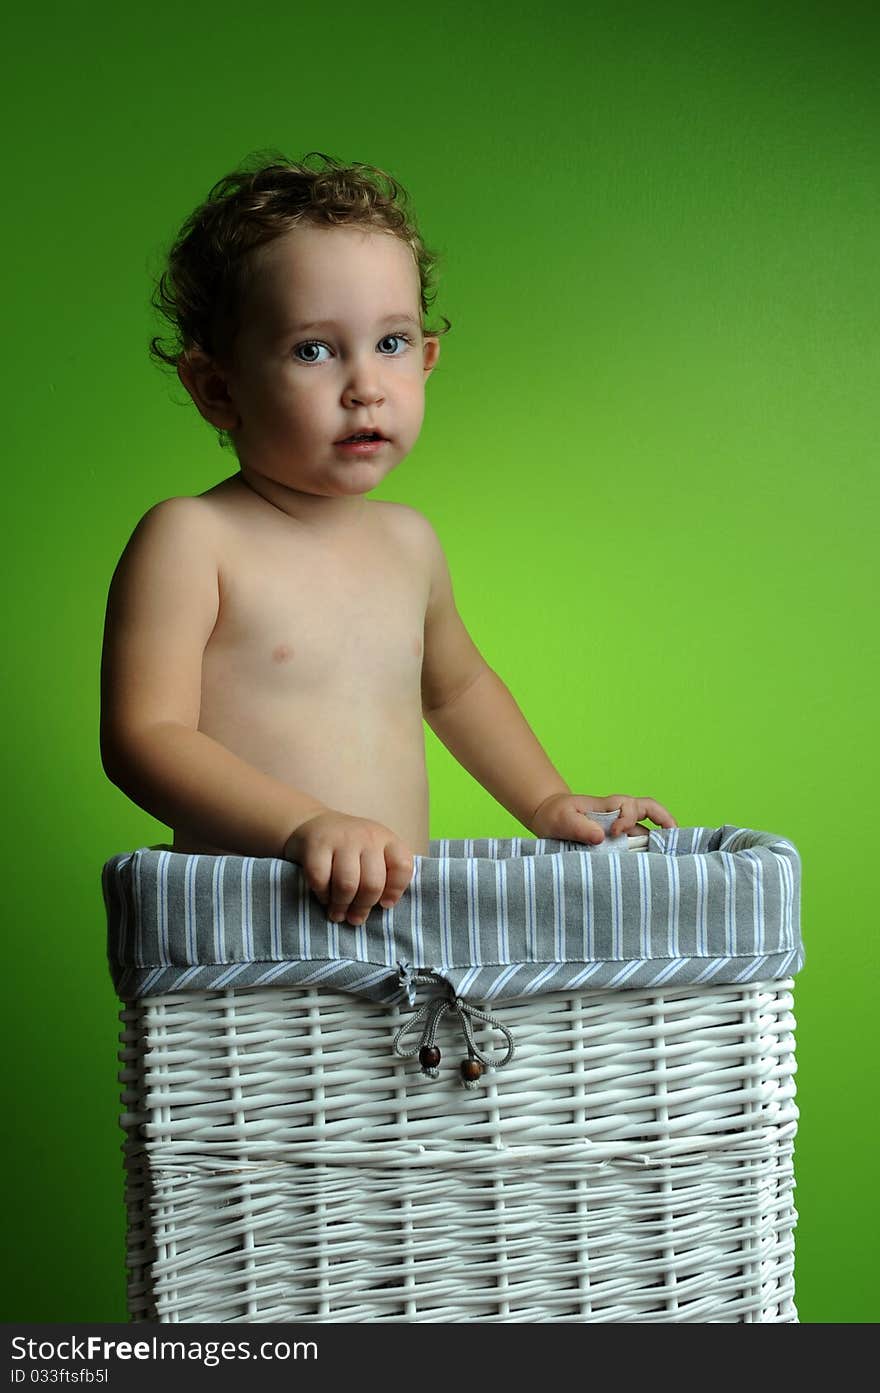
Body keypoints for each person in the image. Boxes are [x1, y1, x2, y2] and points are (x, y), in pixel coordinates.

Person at [100, 150, 677, 930]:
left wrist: (546, 799)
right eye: (314, 349)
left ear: (428, 361)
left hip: (398, 923)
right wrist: (303, 824)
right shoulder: (193, 539)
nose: (365, 384)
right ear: (217, 387)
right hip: (250, 931)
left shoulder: (410, 543)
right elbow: (144, 736)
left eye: (392, 343)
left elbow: (458, 688)